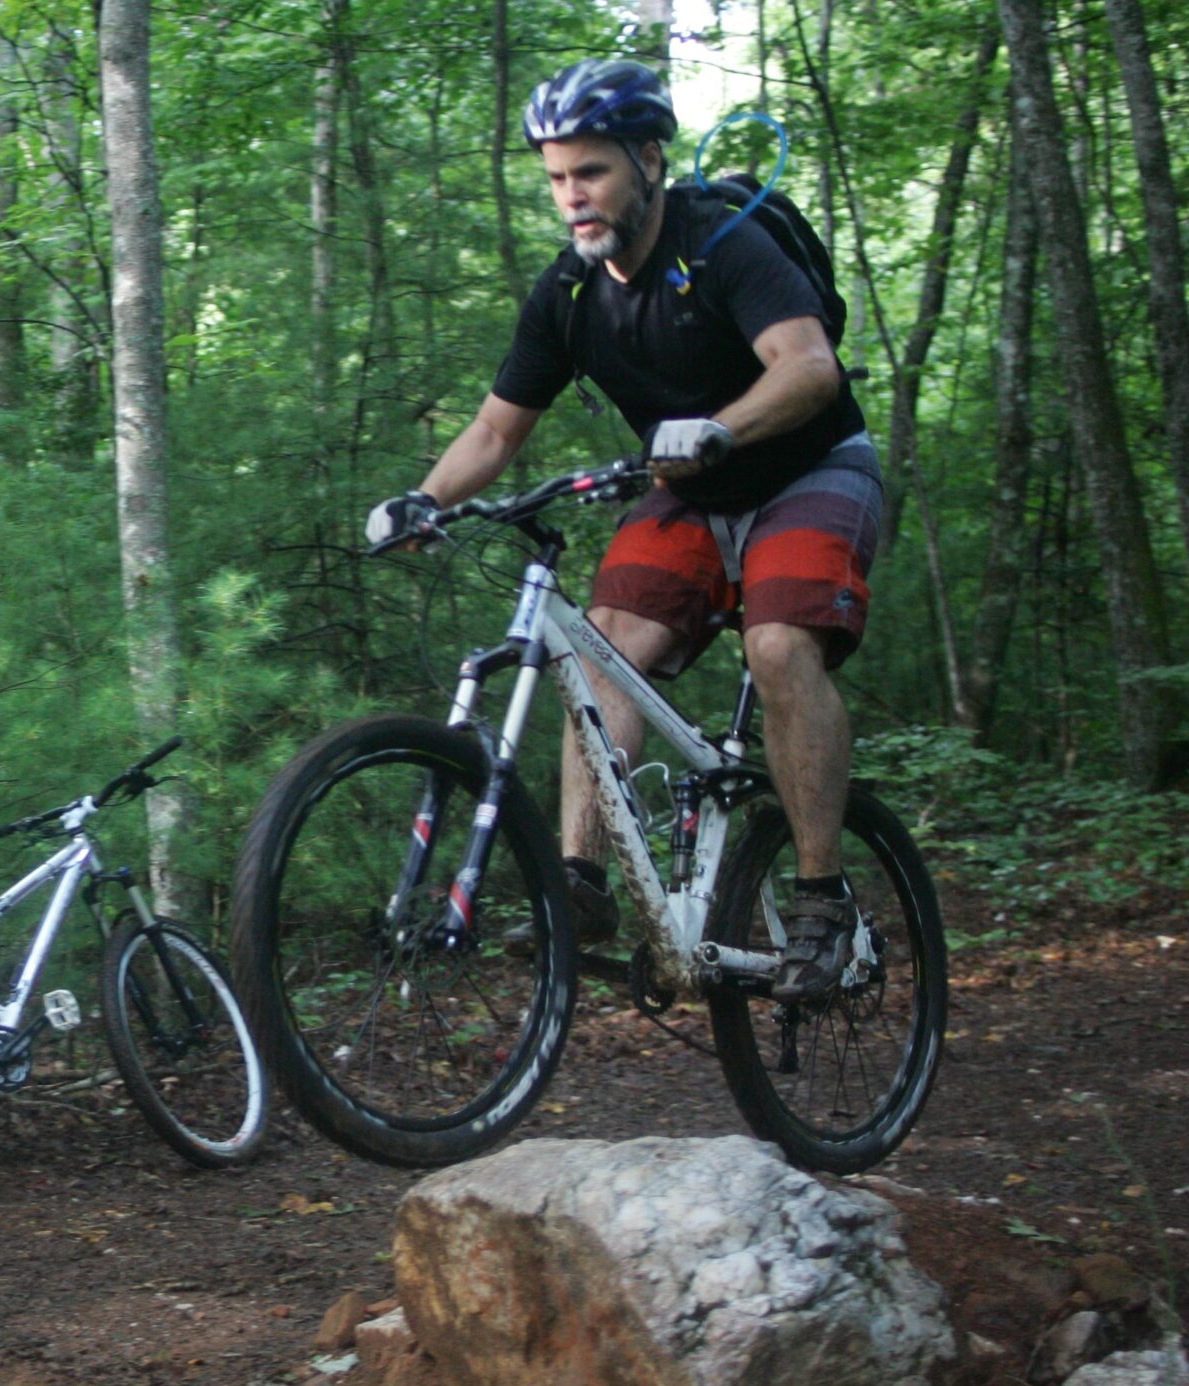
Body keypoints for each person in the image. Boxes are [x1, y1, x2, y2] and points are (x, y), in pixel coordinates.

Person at [364, 58, 879, 1003]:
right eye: (558, 178)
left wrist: (724, 424)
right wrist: (425, 500)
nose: (573, 197)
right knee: (600, 655)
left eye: (590, 173)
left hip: (810, 468)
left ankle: (821, 900)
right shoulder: (569, 293)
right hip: (690, 489)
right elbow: (494, 429)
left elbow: (808, 367)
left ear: (648, 159)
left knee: (776, 645)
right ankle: (582, 881)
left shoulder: (722, 244)